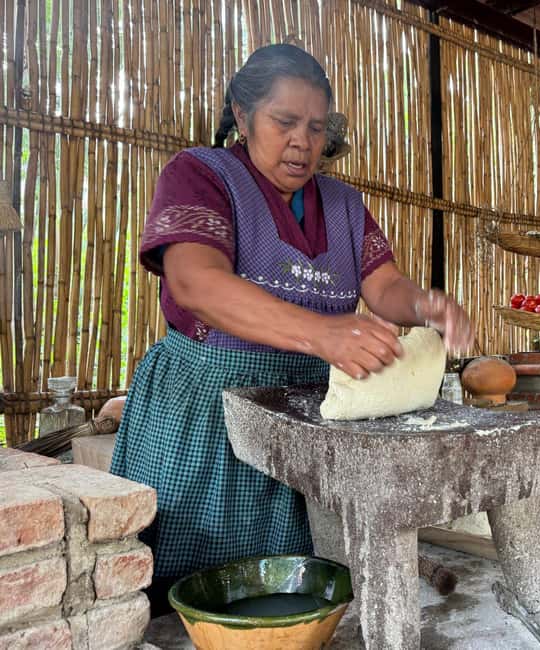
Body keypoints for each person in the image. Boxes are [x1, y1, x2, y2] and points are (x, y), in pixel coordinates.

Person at [110, 43, 474, 615]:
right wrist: (322, 333)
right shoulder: (201, 175)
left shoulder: (343, 204)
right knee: (194, 600)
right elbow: (195, 282)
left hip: (307, 421)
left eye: (316, 127)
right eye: (284, 122)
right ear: (242, 112)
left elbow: (384, 287)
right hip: (208, 417)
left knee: (297, 586)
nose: (303, 142)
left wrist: (427, 305)